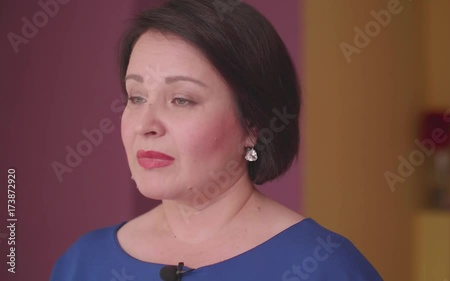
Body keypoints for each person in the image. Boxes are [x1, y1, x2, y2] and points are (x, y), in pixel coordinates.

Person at [49, 0, 382, 280]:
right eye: (136, 97)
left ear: (253, 124)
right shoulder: (82, 263)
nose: (145, 125)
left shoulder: (325, 265)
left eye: (181, 99)